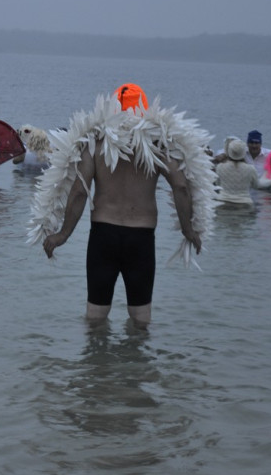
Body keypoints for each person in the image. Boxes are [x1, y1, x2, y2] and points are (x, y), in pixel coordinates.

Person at [29, 84, 216, 326]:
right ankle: (134, 363)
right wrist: (188, 230)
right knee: (140, 319)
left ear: (111, 107)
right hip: (141, 237)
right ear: (145, 109)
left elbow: (78, 192)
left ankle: (97, 363)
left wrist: (63, 234)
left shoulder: (95, 141)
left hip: (103, 235)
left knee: (95, 317)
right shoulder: (159, 142)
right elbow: (180, 186)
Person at [214, 138, 258, 205]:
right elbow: (256, 185)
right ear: (243, 152)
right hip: (244, 202)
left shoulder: (220, 167)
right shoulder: (250, 168)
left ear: (229, 151)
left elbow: (217, 184)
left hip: (223, 201)